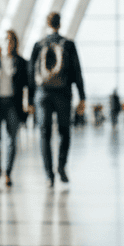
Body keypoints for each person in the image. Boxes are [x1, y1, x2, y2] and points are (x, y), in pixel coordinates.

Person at [29, 11, 86, 187]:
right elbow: (77, 71)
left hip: (43, 94)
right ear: (60, 24)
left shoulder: (39, 44)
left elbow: (30, 73)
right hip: (63, 93)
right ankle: (61, 166)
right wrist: (82, 97)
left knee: (44, 133)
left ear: (47, 24)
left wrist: (30, 99)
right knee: (64, 131)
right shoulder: (68, 44)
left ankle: (48, 175)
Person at [0, 31, 32, 186]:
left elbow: (29, 85)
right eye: (5, 40)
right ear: (0, 42)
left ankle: (8, 173)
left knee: (11, 140)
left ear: (15, 43)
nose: (8, 43)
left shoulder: (21, 62)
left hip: (13, 104)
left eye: (11, 40)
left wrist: (29, 104)